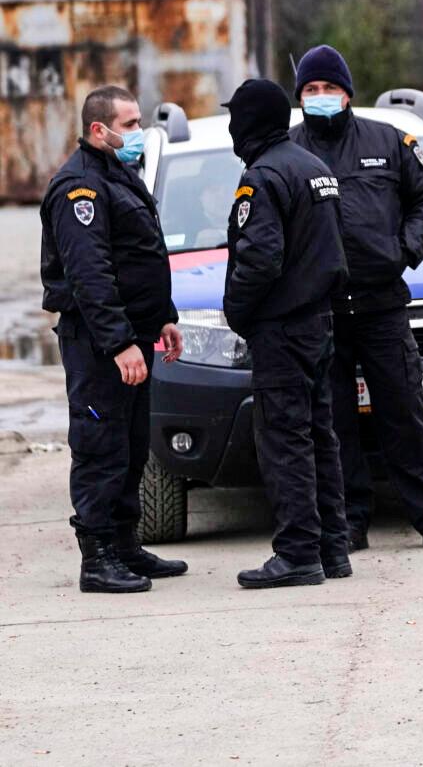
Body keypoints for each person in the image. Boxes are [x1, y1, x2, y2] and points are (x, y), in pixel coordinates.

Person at [288, 45, 423, 552]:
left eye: (329, 88)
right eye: (311, 89)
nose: (321, 96)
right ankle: (348, 521)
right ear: (300, 97)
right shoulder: (288, 151)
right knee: (334, 421)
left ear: (347, 93)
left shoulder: (389, 141)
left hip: (381, 304)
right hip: (320, 310)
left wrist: (403, 251)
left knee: (404, 412)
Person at [40, 84, 188, 593]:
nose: (138, 132)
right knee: (100, 446)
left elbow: (140, 255)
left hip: (133, 334)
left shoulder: (117, 174)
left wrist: (162, 318)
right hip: (99, 343)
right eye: (129, 124)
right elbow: (90, 275)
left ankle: (125, 545)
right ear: (98, 129)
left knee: (131, 445)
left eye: (138, 122)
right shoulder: (79, 187)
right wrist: (120, 343)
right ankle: (97, 558)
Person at [221, 79, 352, 588]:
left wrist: (237, 311)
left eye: (236, 118)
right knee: (319, 435)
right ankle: (332, 548)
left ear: (249, 123)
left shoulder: (263, 177)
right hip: (319, 322)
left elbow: (259, 259)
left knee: (285, 440)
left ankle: (297, 553)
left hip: (282, 328)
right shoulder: (314, 167)